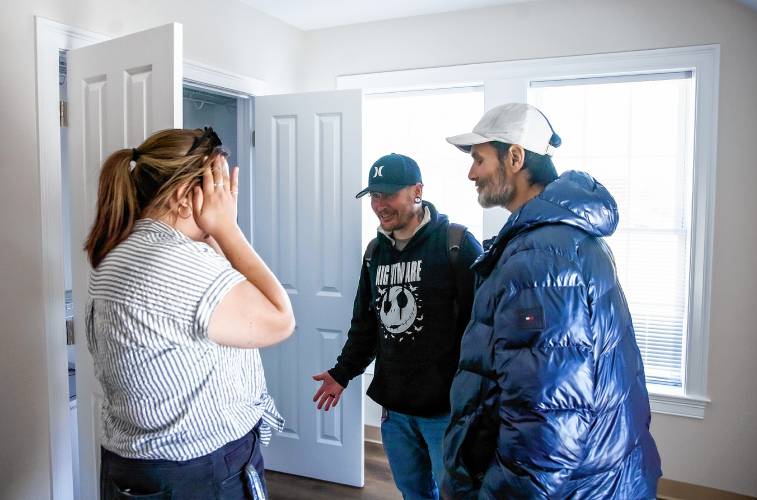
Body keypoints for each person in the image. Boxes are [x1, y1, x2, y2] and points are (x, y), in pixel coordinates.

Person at [441, 103, 662, 499]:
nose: (470, 173)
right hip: (602, 476)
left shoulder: (541, 258)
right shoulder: (562, 239)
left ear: (515, 156)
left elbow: (545, 421)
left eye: (478, 160)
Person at [85, 127, 295, 499]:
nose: (229, 198)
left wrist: (212, 233)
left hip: (142, 466)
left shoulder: (121, 252)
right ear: (185, 195)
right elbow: (280, 319)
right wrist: (227, 228)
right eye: (220, 188)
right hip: (198, 472)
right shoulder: (178, 263)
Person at [312, 153, 482, 499]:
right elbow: (366, 325)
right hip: (396, 410)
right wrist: (342, 373)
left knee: (459, 495)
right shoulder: (376, 252)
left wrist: (478, 398)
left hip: (445, 412)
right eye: (374, 196)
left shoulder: (456, 244)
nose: (379, 205)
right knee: (413, 492)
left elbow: (482, 328)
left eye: (388, 194)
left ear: (417, 191)